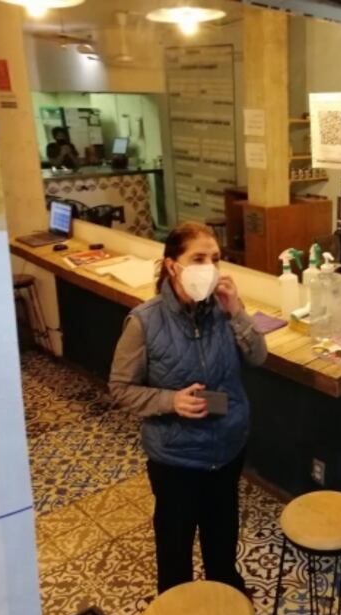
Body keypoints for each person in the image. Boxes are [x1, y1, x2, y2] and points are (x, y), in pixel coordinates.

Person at [109, 222, 267, 595]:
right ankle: (177, 602)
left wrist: (237, 311)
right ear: (172, 265)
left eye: (215, 259)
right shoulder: (144, 322)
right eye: (198, 259)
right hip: (175, 457)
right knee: (175, 543)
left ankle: (225, 591)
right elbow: (120, 388)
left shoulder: (224, 311)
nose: (209, 268)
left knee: (222, 533)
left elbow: (258, 356)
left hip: (227, 447)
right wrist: (170, 401)